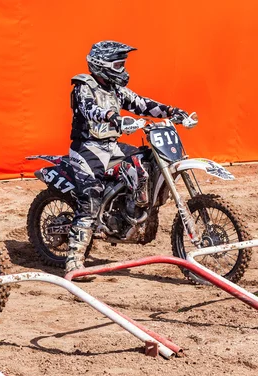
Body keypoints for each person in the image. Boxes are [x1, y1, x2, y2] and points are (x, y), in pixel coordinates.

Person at [65, 40, 189, 276]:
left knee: (145, 164)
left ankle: (131, 214)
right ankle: (74, 259)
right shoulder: (84, 86)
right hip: (87, 148)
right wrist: (114, 117)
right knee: (90, 199)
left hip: (111, 146)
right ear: (103, 64)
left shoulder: (115, 88)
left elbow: (142, 104)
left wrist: (172, 111)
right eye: (118, 64)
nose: (122, 69)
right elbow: (90, 109)